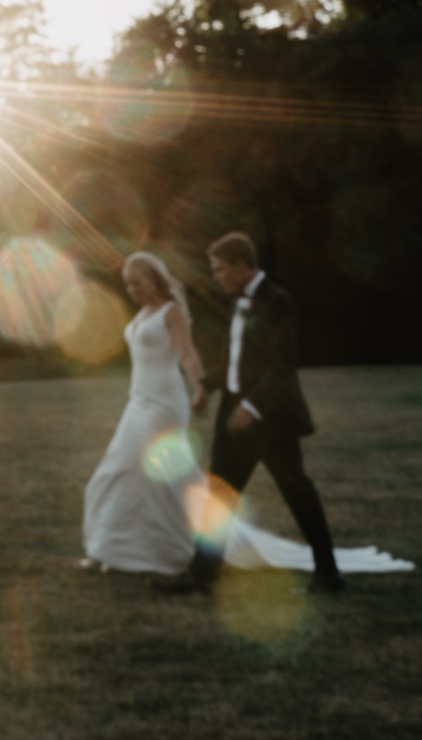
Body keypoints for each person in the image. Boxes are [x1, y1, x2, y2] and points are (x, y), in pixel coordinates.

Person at [156, 231, 365, 595]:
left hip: (271, 419)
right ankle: (203, 575)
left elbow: (281, 364)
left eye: (220, 269)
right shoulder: (238, 302)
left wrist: (251, 408)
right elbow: (235, 362)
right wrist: (207, 385)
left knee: (297, 492)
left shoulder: (278, 301)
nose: (216, 276)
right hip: (232, 416)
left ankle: (329, 575)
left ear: (241, 266)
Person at [77, 251, 204, 574]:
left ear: (152, 278)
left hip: (164, 405)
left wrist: (202, 387)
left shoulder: (171, 311)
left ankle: (178, 551)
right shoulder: (144, 312)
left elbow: (186, 354)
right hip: (138, 402)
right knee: (112, 473)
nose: (132, 290)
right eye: (127, 285)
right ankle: (103, 549)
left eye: (136, 283)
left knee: (160, 480)